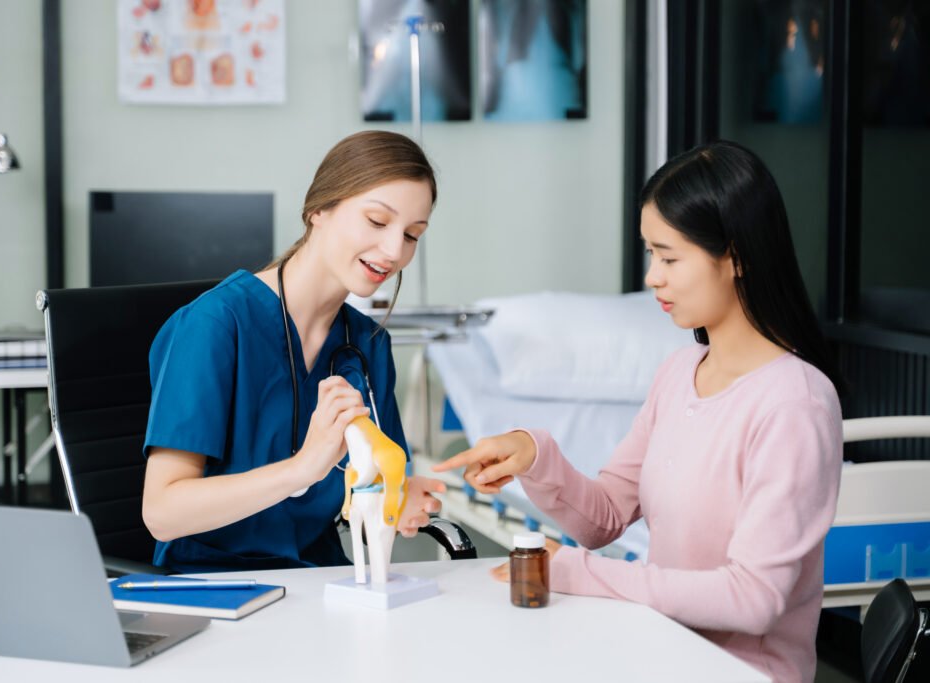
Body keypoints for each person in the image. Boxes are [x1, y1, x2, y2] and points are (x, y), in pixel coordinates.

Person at [434, 140, 843, 683]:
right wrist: (534, 457)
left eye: (670, 257)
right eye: (652, 254)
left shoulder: (795, 404)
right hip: (661, 652)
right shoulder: (678, 374)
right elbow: (603, 519)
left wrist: (575, 571)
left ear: (737, 256)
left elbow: (754, 599)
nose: (653, 276)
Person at [142, 130, 446, 573]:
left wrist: (394, 496)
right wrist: (302, 468)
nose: (394, 251)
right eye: (378, 222)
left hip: (319, 581)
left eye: (412, 235)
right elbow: (162, 513)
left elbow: (364, 482)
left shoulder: (368, 345)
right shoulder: (214, 325)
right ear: (318, 210)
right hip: (213, 586)